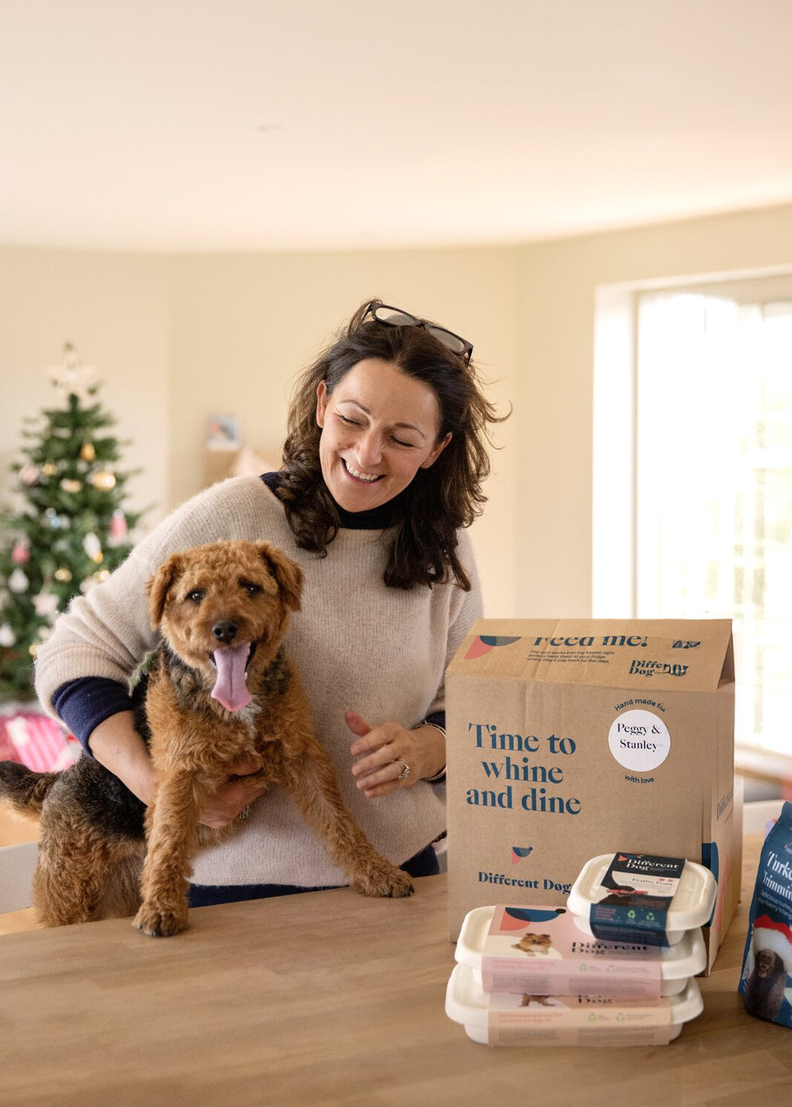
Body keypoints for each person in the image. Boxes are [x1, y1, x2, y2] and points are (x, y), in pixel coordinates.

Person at [35, 299, 504, 905]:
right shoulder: (227, 515)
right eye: (352, 419)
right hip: (231, 890)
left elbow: (477, 699)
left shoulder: (446, 548)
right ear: (320, 404)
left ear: (436, 449)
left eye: (401, 437)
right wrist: (159, 786)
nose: (366, 454)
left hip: (404, 874)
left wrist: (429, 750)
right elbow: (74, 650)